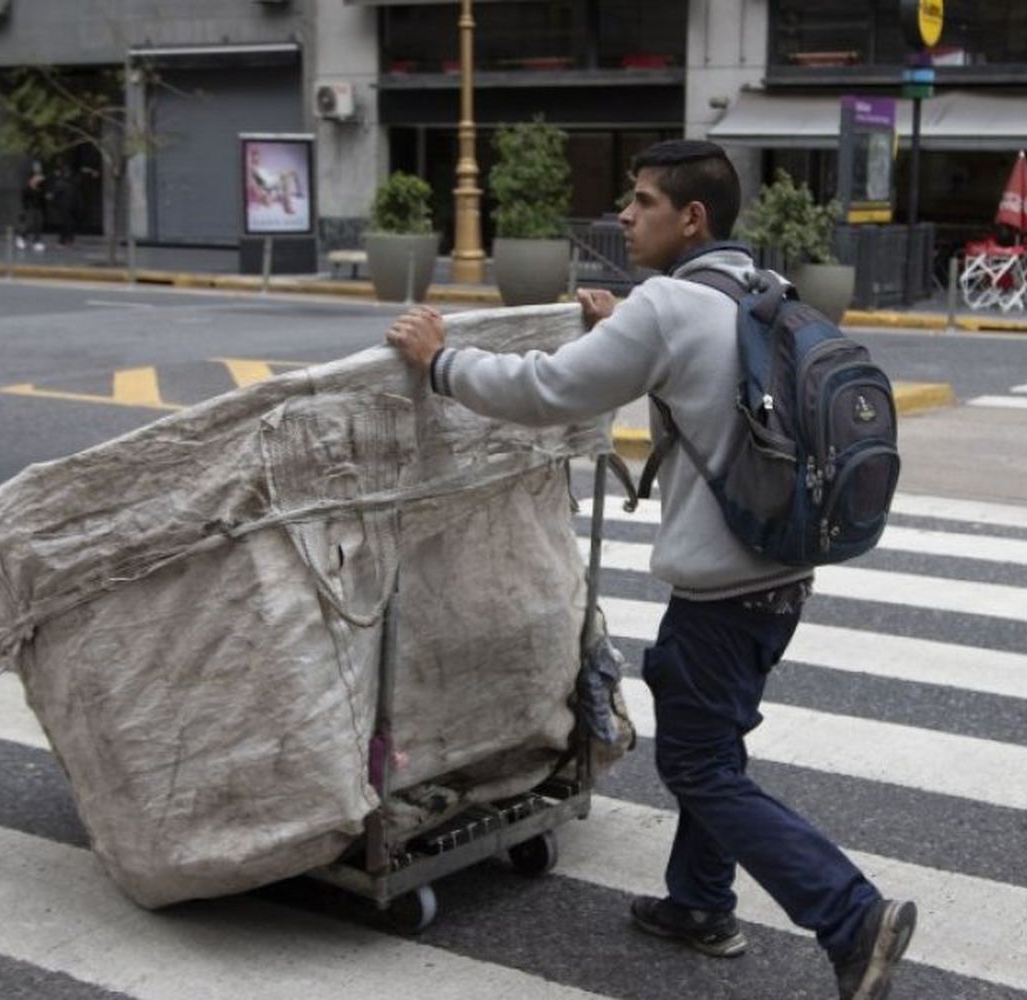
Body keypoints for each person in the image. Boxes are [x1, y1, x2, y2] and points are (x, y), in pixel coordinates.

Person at [386, 139, 917, 1000]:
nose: (625, 217)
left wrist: (439, 361)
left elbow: (546, 389)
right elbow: (703, 388)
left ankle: (852, 917)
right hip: (785, 574)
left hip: (720, 591)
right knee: (719, 745)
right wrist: (613, 334)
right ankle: (698, 904)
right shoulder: (760, 291)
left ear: (691, 217)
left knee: (701, 766)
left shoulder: (669, 304)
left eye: (641, 202)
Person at [17, 162, 46, 253]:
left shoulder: (42, 181)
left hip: (39, 206)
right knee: (30, 223)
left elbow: (43, 193)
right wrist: (32, 184)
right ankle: (21, 237)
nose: (38, 169)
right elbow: (24, 193)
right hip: (30, 206)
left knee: (38, 224)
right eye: (36, 167)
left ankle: (37, 242)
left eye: (39, 167)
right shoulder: (29, 179)